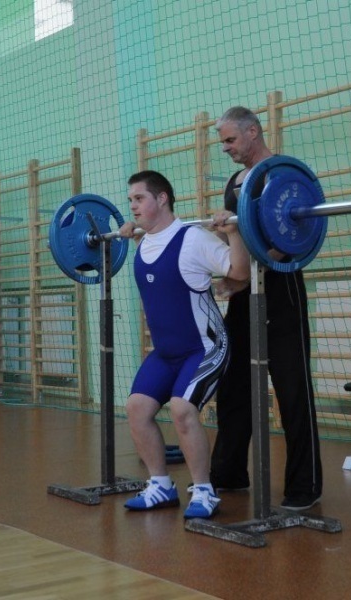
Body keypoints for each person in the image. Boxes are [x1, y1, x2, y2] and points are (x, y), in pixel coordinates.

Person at [209, 106, 324, 510]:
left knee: (292, 389)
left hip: (281, 287)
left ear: (253, 132)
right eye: (222, 141)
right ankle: (228, 472)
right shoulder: (234, 180)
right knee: (234, 382)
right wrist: (229, 252)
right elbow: (236, 245)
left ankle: (304, 487)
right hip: (245, 295)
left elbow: (293, 236)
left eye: (230, 139)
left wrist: (249, 267)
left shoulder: (284, 174)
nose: (224, 148)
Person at [119, 170, 250, 519]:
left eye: (139, 198)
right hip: (166, 353)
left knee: (181, 409)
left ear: (162, 199)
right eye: (131, 199)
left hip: (205, 347)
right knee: (136, 408)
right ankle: (161, 485)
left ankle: (204, 491)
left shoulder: (193, 239)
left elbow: (240, 273)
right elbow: (158, 263)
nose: (132, 206)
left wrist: (233, 233)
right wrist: (133, 237)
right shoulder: (145, 241)